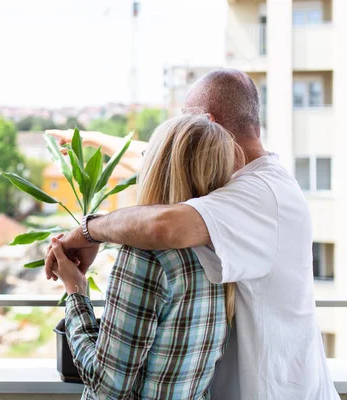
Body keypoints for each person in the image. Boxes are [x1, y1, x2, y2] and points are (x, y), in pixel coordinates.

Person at [46, 69, 340, 400]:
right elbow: (164, 157)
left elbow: (163, 225)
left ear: (207, 125)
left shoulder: (261, 195)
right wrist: (93, 138)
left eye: (185, 118)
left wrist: (87, 232)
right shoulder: (238, 189)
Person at [48, 113, 239, 399]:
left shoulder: (147, 258)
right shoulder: (225, 245)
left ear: (157, 169)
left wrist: (76, 291)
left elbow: (106, 384)